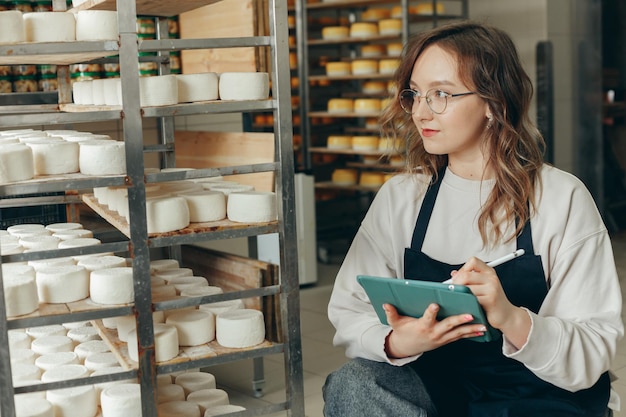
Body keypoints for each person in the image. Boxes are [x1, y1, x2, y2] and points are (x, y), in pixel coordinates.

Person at [322, 21, 623, 417]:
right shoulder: (401, 198)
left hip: (540, 395)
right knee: (352, 384)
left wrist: (511, 318)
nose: (420, 112)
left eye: (441, 94)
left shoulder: (561, 198)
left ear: (493, 103)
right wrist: (398, 341)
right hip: (435, 385)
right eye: (415, 94)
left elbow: (594, 348)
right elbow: (349, 311)